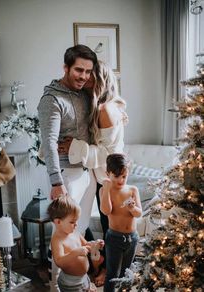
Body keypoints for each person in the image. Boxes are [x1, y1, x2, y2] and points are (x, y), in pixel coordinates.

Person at [58, 60, 128, 286]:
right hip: (100, 178)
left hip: (110, 179)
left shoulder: (106, 110)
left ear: (101, 80)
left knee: (112, 231)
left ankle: (111, 274)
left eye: (91, 76)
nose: (86, 80)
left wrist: (74, 147)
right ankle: (99, 265)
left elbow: (109, 155)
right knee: (92, 224)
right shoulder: (102, 106)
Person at [37, 44, 98, 291]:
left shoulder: (85, 93)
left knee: (78, 233)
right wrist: (56, 182)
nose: (83, 76)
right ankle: (55, 284)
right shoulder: (51, 99)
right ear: (66, 67)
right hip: (66, 177)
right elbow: (48, 142)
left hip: (87, 172)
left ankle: (78, 282)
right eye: (78, 70)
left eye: (87, 71)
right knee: (61, 238)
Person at [100, 153, 142, 292]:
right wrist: (106, 189)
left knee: (127, 273)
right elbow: (106, 211)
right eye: (116, 176)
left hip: (132, 237)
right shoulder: (105, 190)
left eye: (124, 176)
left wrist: (132, 208)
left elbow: (139, 213)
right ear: (108, 174)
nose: (120, 180)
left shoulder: (132, 190)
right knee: (112, 273)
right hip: (114, 238)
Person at [47, 195, 104, 292]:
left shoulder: (75, 232)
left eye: (76, 220)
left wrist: (94, 245)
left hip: (84, 277)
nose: (76, 224)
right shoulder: (57, 240)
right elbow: (59, 261)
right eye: (72, 222)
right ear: (58, 222)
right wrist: (75, 253)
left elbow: (86, 244)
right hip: (70, 283)